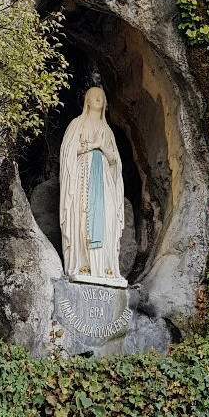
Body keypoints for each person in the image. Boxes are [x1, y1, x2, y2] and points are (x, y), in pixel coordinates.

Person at [58, 87, 127, 287]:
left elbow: (115, 161)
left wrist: (103, 147)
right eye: (94, 95)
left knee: (107, 220)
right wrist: (91, 146)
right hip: (83, 179)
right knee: (82, 217)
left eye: (102, 96)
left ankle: (106, 268)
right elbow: (68, 153)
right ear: (86, 100)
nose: (99, 97)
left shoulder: (108, 131)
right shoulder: (77, 124)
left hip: (105, 182)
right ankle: (83, 265)